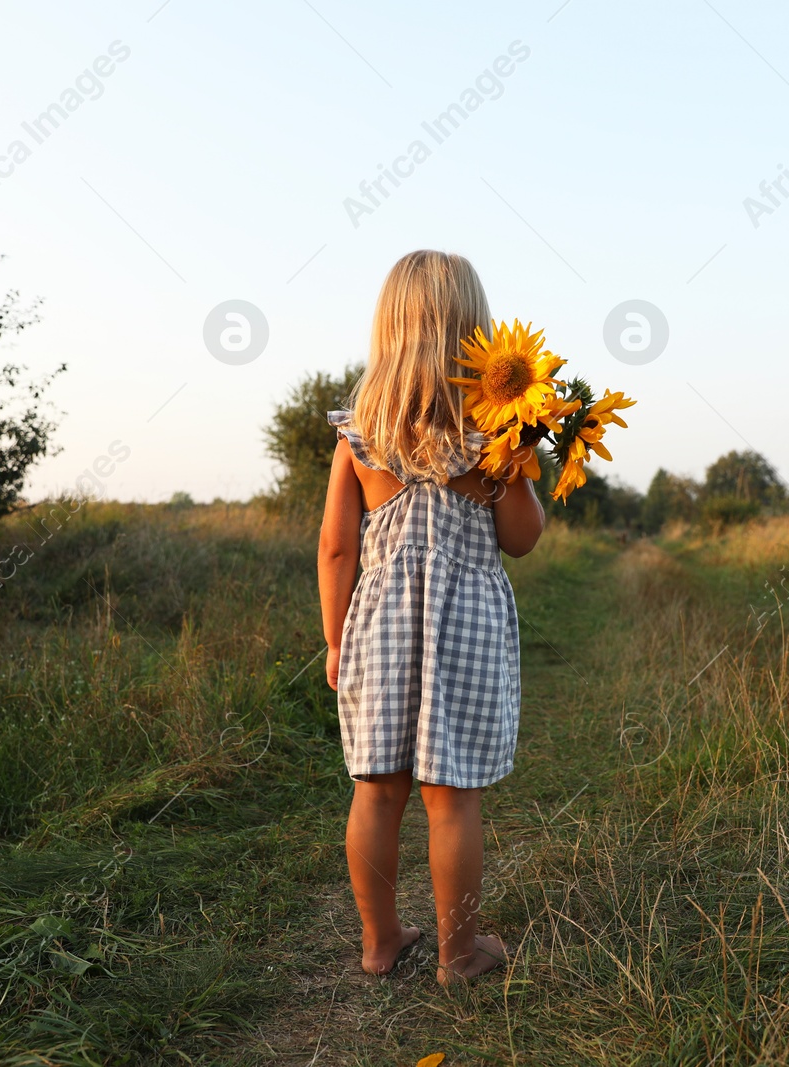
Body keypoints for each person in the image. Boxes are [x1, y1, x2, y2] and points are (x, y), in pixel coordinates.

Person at [317, 249, 545, 985]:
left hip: (377, 623)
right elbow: (522, 537)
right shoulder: (492, 434)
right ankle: (457, 954)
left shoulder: (360, 434)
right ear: (475, 333)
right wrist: (515, 461)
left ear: (389, 328)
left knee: (376, 788)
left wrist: (332, 638)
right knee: (454, 799)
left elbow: (333, 549)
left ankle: (380, 941)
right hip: (467, 624)